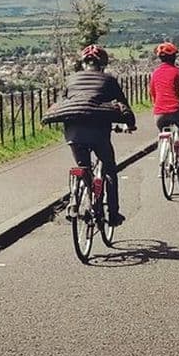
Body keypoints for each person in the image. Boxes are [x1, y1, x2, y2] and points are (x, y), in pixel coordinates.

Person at [44, 45, 136, 226]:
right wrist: (130, 124)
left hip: (73, 131)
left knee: (82, 166)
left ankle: (74, 201)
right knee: (109, 169)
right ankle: (113, 214)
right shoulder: (108, 80)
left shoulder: (71, 80)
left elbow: (64, 103)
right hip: (98, 131)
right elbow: (123, 105)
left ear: (83, 64)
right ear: (102, 64)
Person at [150, 42, 179, 165]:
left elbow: (153, 94)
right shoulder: (178, 72)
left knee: (163, 131)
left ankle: (164, 157)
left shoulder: (155, 73)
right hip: (176, 110)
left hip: (159, 113)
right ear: (173, 57)